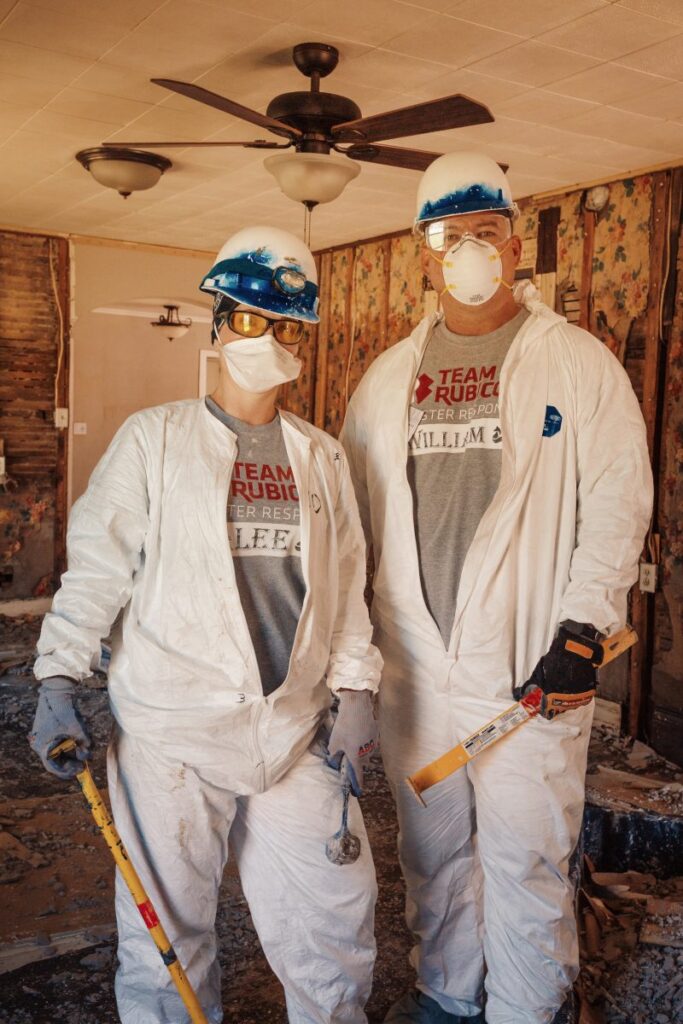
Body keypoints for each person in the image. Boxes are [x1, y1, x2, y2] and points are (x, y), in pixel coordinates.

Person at [30, 225, 382, 1024]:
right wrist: (58, 674)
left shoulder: (321, 456)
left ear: (303, 340)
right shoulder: (154, 441)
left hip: (290, 725)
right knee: (168, 929)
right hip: (172, 730)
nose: (267, 339)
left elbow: (346, 584)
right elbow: (97, 569)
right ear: (219, 322)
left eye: (286, 325)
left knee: (333, 916)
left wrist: (354, 691)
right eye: (251, 319)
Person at [340, 153, 652, 1024]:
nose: (470, 249)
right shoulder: (383, 381)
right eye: (450, 235)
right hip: (415, 662)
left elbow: (618, 500)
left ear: (514, 244)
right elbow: (352, 526)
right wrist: (353, 661)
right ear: (423, 251)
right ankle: (446, 996)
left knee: (525, 858)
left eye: (486, 232)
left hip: (530, 665)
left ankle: (525, 1009)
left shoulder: (574, 363)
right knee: (433, 855)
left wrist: (583, 632)